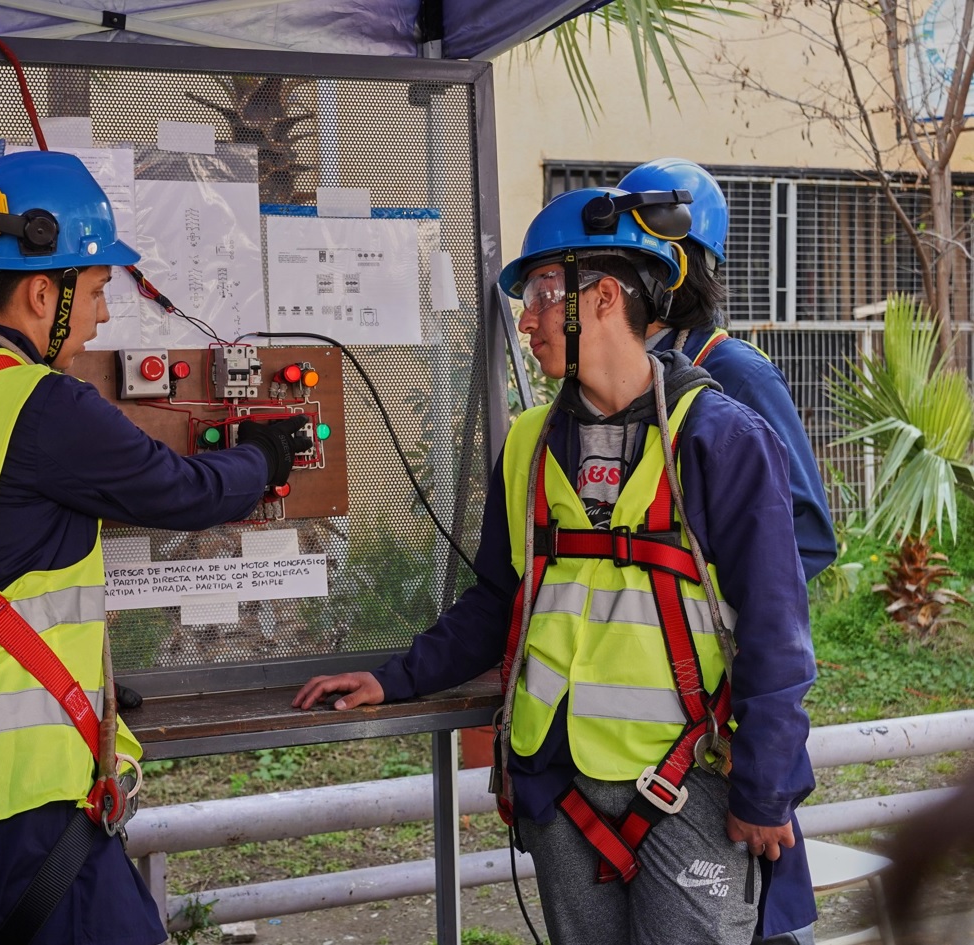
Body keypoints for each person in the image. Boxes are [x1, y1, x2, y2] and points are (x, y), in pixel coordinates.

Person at [295, 187, 817, 945]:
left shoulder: (719, 439)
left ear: (605, 297)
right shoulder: (531, 444)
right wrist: (396, 676)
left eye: (542, 293)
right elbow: (500, 598)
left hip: (684, 785)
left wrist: (766, 788)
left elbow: (777, 630)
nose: (528, 318)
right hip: (557, 786)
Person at [0, 150, 308, 945]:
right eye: (96, 291)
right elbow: (182, 490)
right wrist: (265, 457)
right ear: (42, 291)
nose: (101, 317)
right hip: (21, 793)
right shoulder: (40, 404)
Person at [620, 157, 834, 945]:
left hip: (727, 682)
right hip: (650, 699)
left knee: (755, 884)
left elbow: (807, 529)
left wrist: (714, 595)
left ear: (680, 268)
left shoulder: (729, 373)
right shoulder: (621, 381)